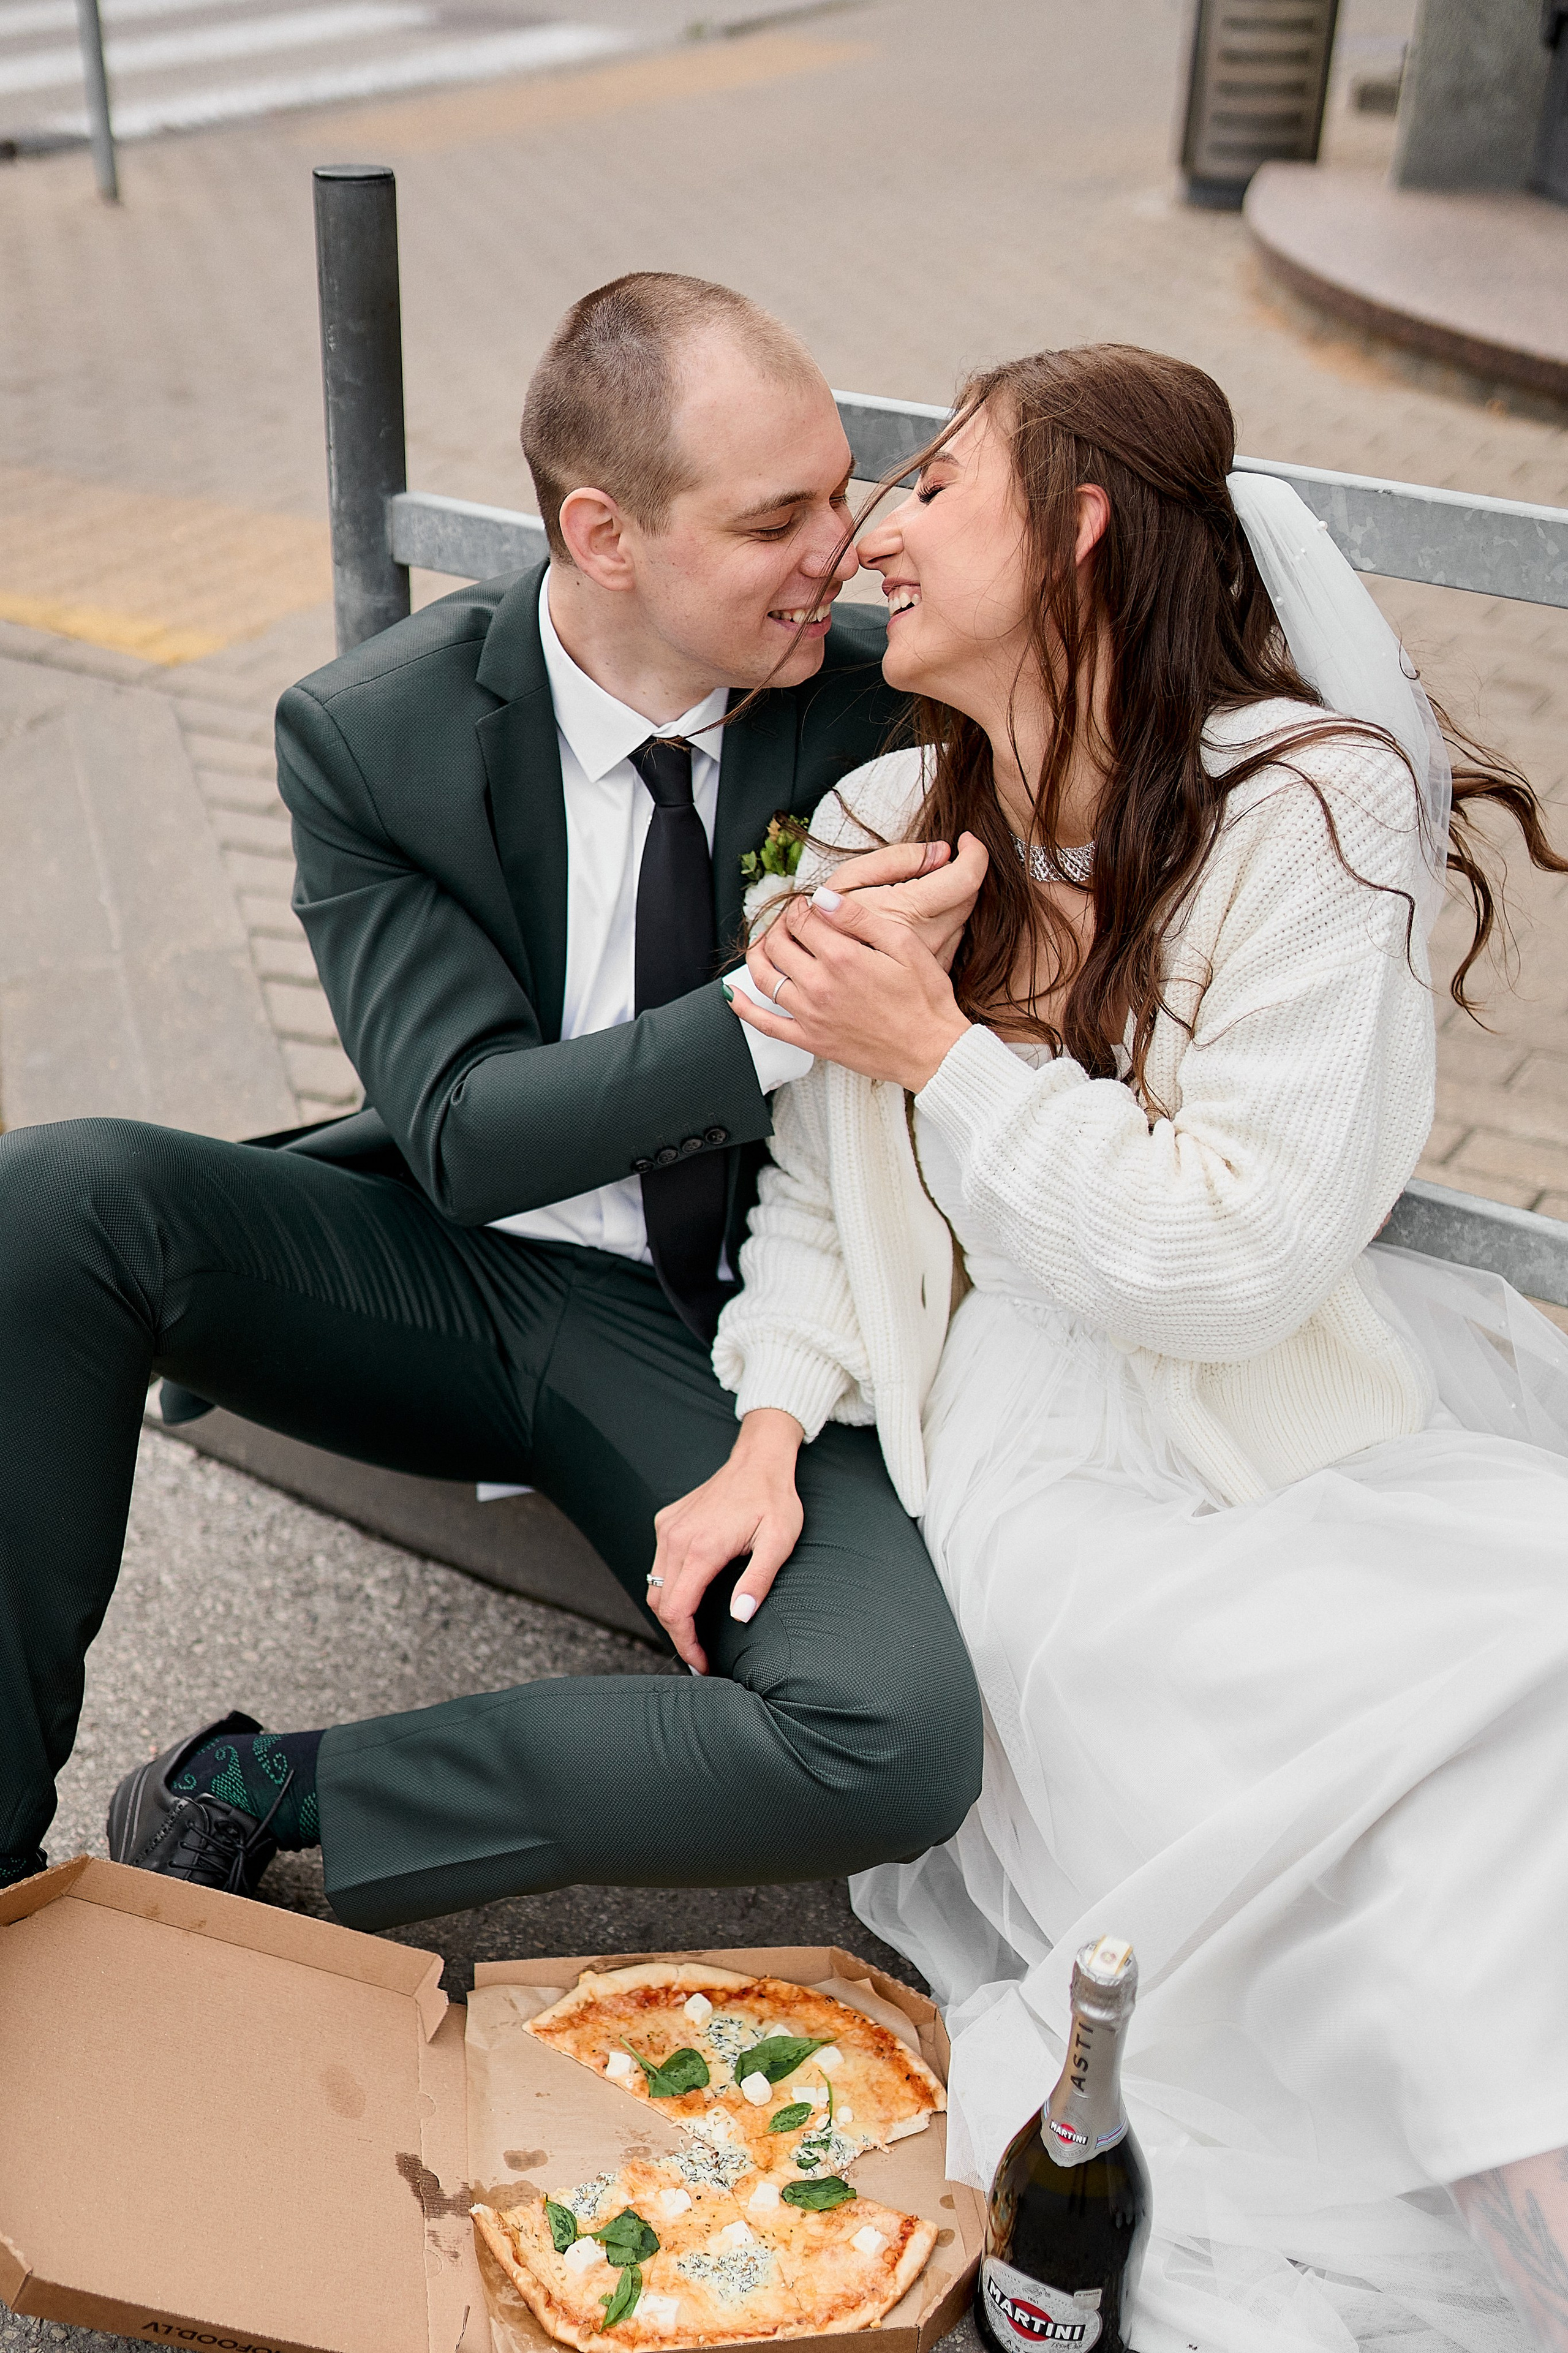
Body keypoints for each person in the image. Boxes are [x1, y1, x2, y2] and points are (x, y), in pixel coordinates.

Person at [652, 342, 1568, 2352]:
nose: (875, 536)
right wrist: (769, 1428)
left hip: (1279, 1407)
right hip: (1035, 1470)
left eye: (935, 489)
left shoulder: (1310, 815)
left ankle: (1526, 2212)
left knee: (1520, 1670)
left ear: (1076, 530)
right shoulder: (887, 811)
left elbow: (1236, 1260)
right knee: (1287, 1738)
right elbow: (825, 1200)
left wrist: (948, 1058)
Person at [0, 271, 985, 1930]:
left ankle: (278, 1785)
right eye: (774, 521)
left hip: (741, 1332)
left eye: (846, 490)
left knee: (896, 1735)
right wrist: (779, 1003)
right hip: (453, 1278)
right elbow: (464, 1131)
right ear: (605, 536)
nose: (843, 550)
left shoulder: (897, 704)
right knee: (50, 1197)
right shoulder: (373, 734)